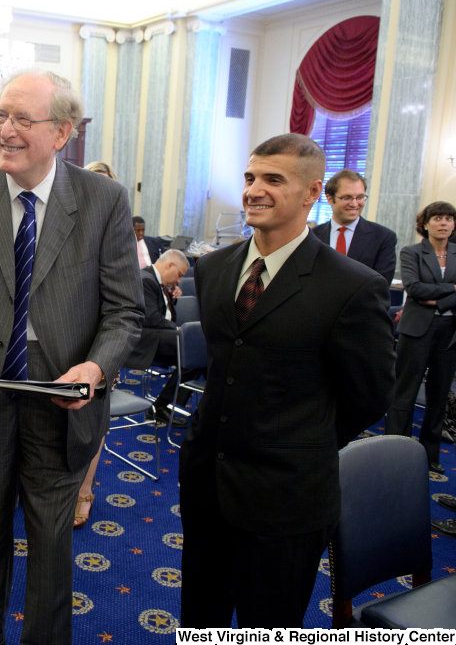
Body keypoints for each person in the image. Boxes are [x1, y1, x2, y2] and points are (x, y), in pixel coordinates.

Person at [0, 70, 142, 644]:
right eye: (0, 115)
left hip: (61, 406)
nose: (6, 130)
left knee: (51, 553)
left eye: (23, 119)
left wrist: (96, 369)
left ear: (63, 132)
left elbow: (125, 313)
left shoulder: (103, 202)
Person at [179, 133, 395, 628]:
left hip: (287, 498)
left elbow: (370, 395)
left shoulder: (353, 285)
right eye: (251, 177)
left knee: (267, 627)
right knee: (200, 620)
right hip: (207, 484)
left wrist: (303, 439)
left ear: (311, 192)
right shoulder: (213, 269)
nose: (254, 189)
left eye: (273, 180)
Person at [384, 201, 456, 476]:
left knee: (439, 396)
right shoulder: (412, 252)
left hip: (450, 333)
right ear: (425, 224)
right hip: (417, 331)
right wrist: (452, 290)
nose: (444, 223)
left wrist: (436, 300)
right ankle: (394, 449)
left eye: (449, 218)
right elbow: (414, 288)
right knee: (405, 392)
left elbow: (426, 293)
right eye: (437, 218)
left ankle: (430, 454)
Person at [73, 160, 120, 529]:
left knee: (92, 423)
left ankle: (84, 490)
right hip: (65, 341)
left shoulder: (115, 228)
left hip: (103, 344)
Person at [127, 250, 203, 424]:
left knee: (198, 354)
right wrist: (178, 328)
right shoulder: (146, 280)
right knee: (195, 349)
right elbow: (151, 318)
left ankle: (164, 406)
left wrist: (171, 295)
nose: (178, 281)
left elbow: (163, 313)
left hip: (159, 335)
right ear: (170, 265)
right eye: (179, 275)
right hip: (145, 340)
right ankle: (161, 407)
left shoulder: (156, 281)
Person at [313, 169, 397, 283]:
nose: (354, 204)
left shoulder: (383, 237)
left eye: (360, 197)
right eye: (347, 197)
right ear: (330, 199)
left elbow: (381, 285)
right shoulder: (312, 235)